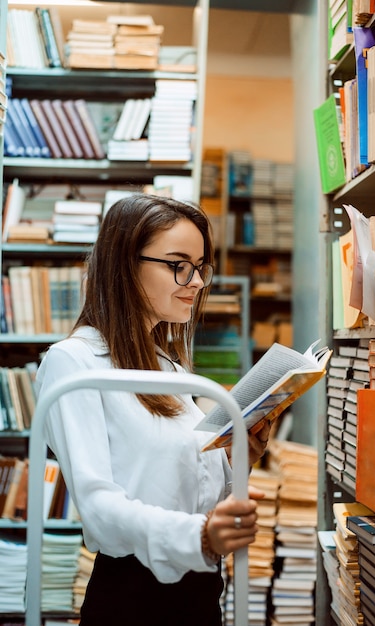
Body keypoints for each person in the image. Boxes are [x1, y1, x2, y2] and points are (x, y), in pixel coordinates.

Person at [36, 193, 271, 626]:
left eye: (201, 267)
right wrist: (199, 536)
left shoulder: (169, 366)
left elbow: (194, 491)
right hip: (132, 599)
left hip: (200, 593)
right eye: (179, 264)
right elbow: (98, 508)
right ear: (125, 265)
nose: (197, 282)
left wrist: (240, 459)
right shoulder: (74, 362)